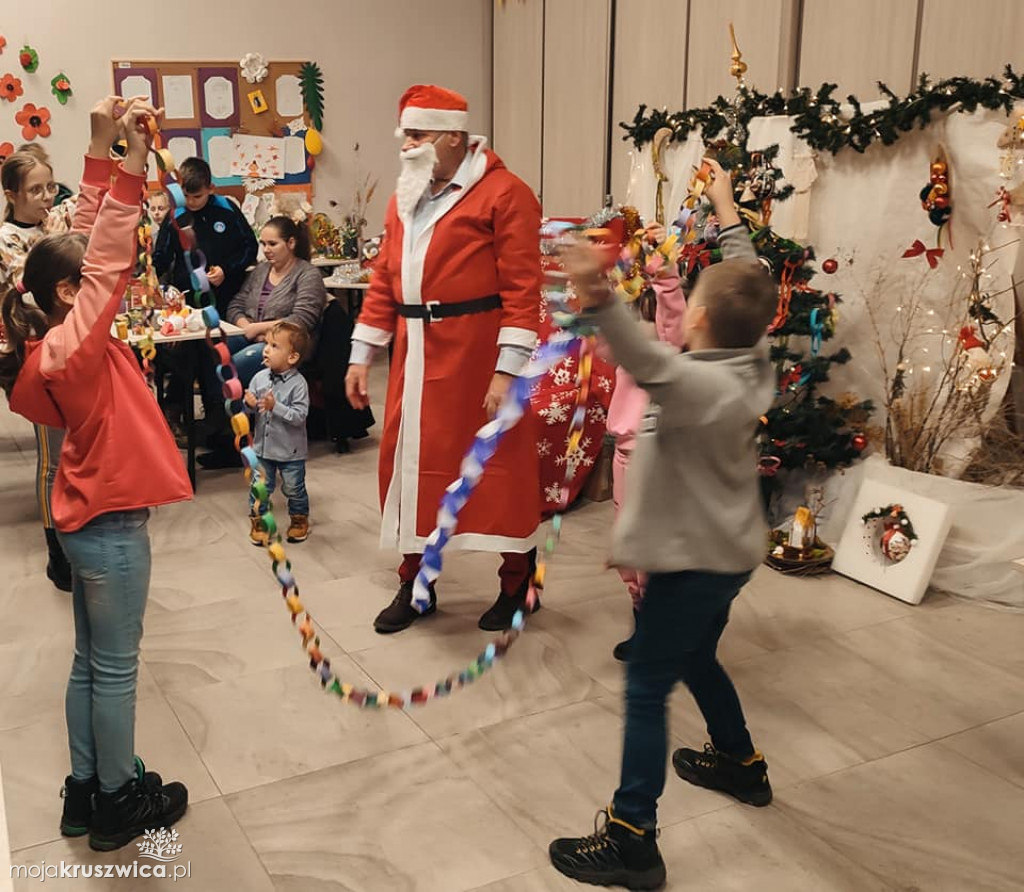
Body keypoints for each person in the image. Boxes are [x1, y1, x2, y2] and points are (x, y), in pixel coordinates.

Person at [548, 159, 777, 890]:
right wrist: (725, 206)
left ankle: (632, 837)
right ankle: (741, 764)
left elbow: (644, 355)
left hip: (692, 561)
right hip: (733, 555)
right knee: (697, 656)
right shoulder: (754, 363)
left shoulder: (692, 383)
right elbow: (753, 275)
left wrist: (593, 284)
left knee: (647, 686)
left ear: (700, 319)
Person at [0, 95, 191, 852]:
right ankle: (117, 800)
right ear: (70, 297)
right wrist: (134, 162)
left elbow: (80, 238)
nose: (110, 285)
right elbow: (105, 249)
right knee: (115, 671)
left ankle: (86, 789)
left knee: (91, 662)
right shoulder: (74, 346)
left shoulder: (54, 334)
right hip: (109, 531)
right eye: (94, 286)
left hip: (87, 523)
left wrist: (95, 144)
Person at [345, 84, 543, 634]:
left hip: (477, 357)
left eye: (418, 134)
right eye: (404, 135)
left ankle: (518, 581)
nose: (406, 145)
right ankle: (415, 582)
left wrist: (507, 370)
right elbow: (385, 281)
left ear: (453, 136)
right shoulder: (403, 197)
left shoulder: (506, 195)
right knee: (409, 469)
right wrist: (362, 355)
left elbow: (524, 292)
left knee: (494, 468)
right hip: (414, 355)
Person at [606, 222, 686, 662]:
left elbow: (672, 318)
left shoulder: (670, 345)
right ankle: (641, 615)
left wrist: (663, 267)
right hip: (624, 453)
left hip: (657, 456)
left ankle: (661, 627)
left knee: (653, 544)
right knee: (628, 543)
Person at [1, 149, 74, 591]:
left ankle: (78, 530)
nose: (47, 198)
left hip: (71, 349)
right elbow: (36, 288)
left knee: (76, 448)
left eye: (50, 187)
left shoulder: (57, 220)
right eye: (35, 190)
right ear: (11, 194)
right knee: (52, 458)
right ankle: (56, 552)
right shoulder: (7, 239)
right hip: (34, 351)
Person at [153, 157, 258, 467]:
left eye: (198, 197)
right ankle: (186, 416)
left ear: (210, 188)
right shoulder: (176, 215)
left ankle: (221, 430)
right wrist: (159, 287)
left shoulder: (226, 209)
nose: (193, 203)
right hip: (187, 305)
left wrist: (227, 270)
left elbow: (248, 248)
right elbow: (161, 257)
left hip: (225, 301)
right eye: (188, 197)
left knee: (219, 360)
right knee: (189, 356)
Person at [226, 215, 326, 388]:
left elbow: (301, 320)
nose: (266, 249)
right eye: (263, 244)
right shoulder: (260, 270)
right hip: (251, 334)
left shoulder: (308, 274)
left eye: (272, 244)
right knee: (213, 354)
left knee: (234, 367)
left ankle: (236, 410)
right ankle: (218, 409)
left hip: (286, 345)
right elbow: (236, 304)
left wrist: (257, 329)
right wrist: (245, 328)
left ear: (291, 243)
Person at [245, 320, 311, 545]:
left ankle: (299, 519)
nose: (266, 349)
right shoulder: (259, 378)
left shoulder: (299, 384)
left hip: (291, 452)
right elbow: (249, 408)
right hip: (263, 450)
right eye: (267, 343)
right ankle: (259, 522)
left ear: (292, 357)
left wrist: (277, 407)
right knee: (259, 487)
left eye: (274, 346)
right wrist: (249, 403)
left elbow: (299, 416)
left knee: (294, 488)